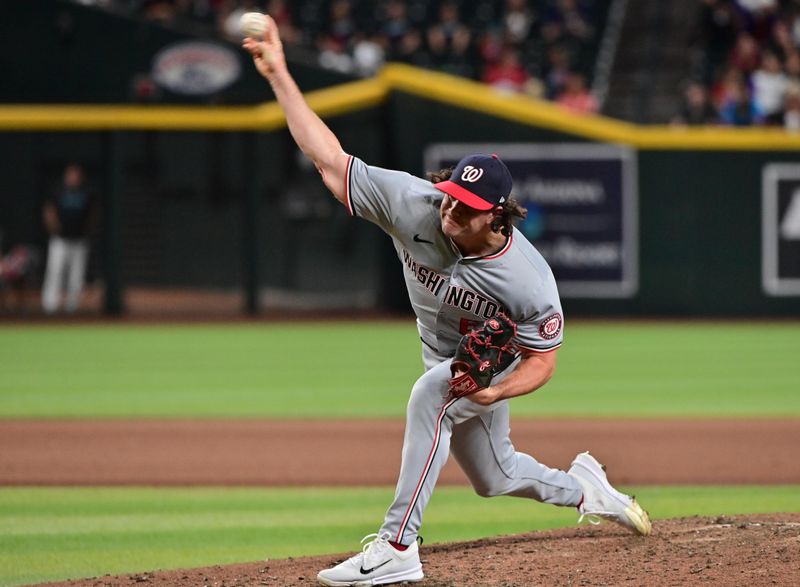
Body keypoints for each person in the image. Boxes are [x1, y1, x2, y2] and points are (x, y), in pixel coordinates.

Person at [243, 17, 651, 587]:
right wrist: (281, 74)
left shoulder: (528, 281)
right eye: (452, 197)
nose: (450, 212)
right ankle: (589, 489)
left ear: (497, 213)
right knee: (495, 475)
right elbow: (330, 160)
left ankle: (398, 546)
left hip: (479, 369)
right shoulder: (415, 203)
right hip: (443, 354)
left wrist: (496, 388)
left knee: (429, 398)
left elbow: (543, 359)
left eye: (466, 208)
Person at [41, 163, 95, 314]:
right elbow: (49, 210)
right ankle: (49, 306)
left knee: (76, 275)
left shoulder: (86, 193)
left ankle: (72, 307)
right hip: (60, 240)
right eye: (71, 175)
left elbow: (93, 214)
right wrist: (54, 227)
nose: (74, 178)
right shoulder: (58, 191)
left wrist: (87, 230)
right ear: (66, 176)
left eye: (76, 175)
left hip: (79, 240)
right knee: (55, 271)